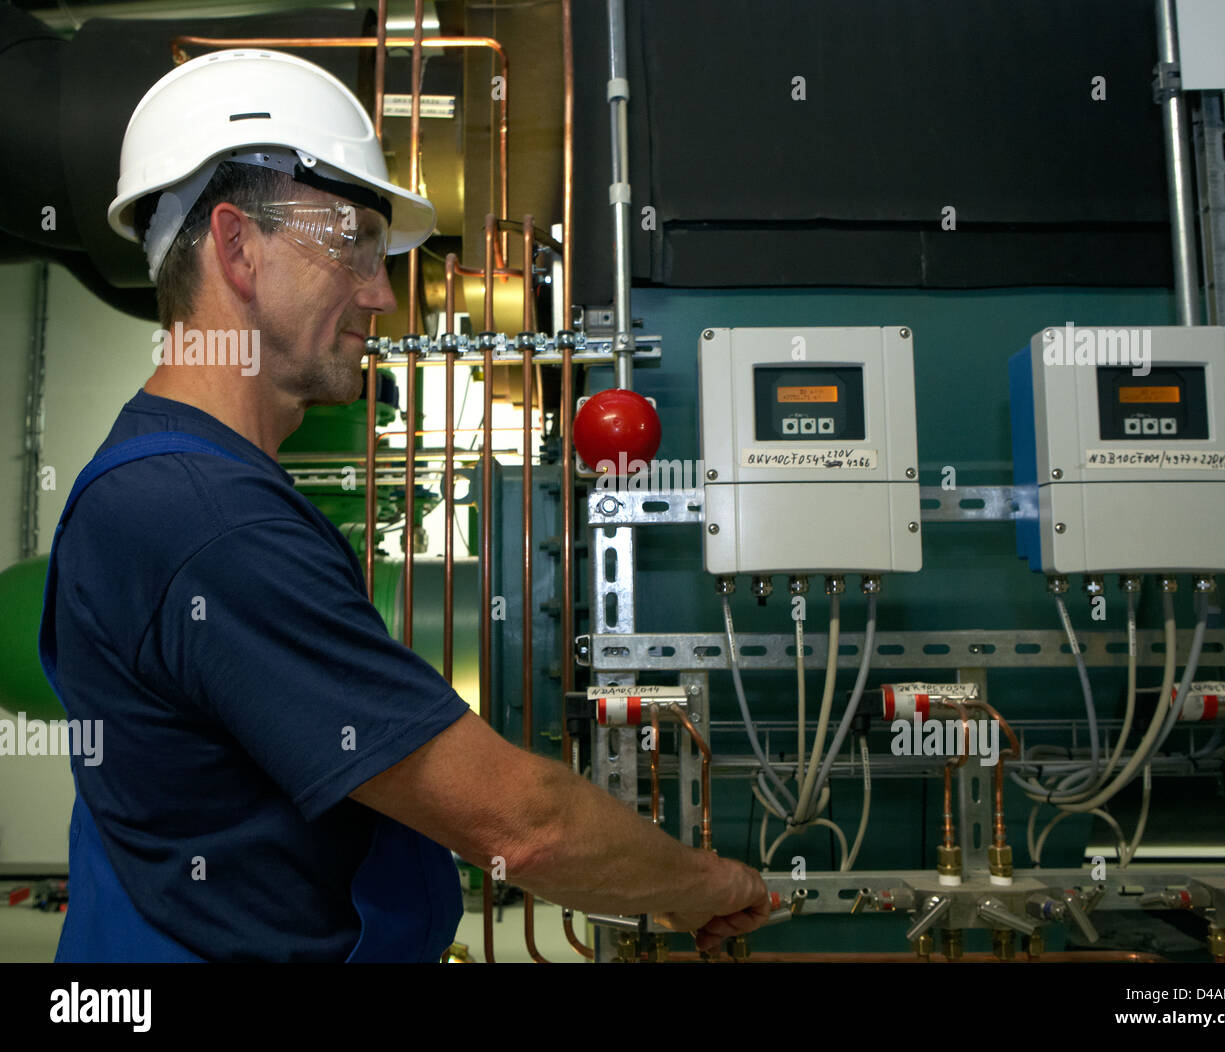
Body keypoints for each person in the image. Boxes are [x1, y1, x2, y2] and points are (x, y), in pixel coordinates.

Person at [41, 48, 770, 962]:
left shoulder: (168, 481)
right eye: (350, 245)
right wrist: (705, 886)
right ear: (237, 247)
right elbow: (522, 822)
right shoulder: (203, 518)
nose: (380, 292)